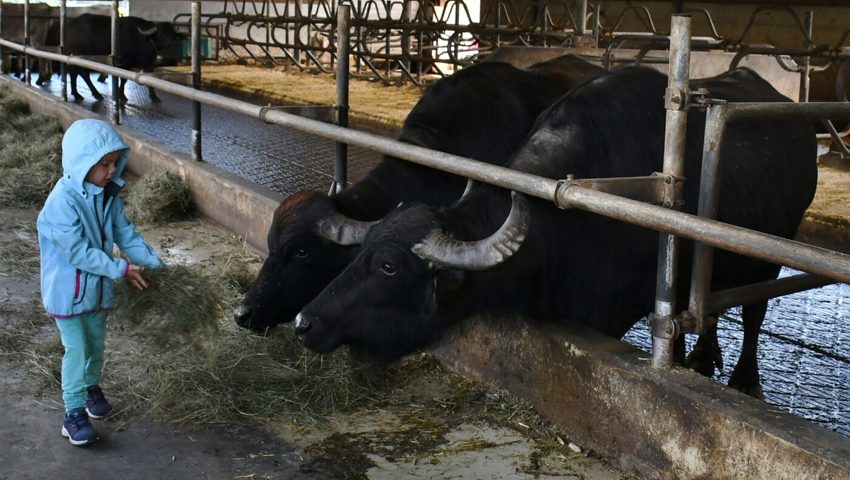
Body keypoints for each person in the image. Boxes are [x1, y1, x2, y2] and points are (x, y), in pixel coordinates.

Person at [37, 119, 162, 446]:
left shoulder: (108, 197)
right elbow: (78, 252)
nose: (111, 170)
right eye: (104, 164)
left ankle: (91, 387)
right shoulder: (61, 203)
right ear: (82, 162)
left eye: (114, 163)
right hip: (68, 293)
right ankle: (73, 413)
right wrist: (121, 268)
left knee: (95, 345)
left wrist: (155, 265)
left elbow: (126, 235)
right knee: (77, 349)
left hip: (97, 291)